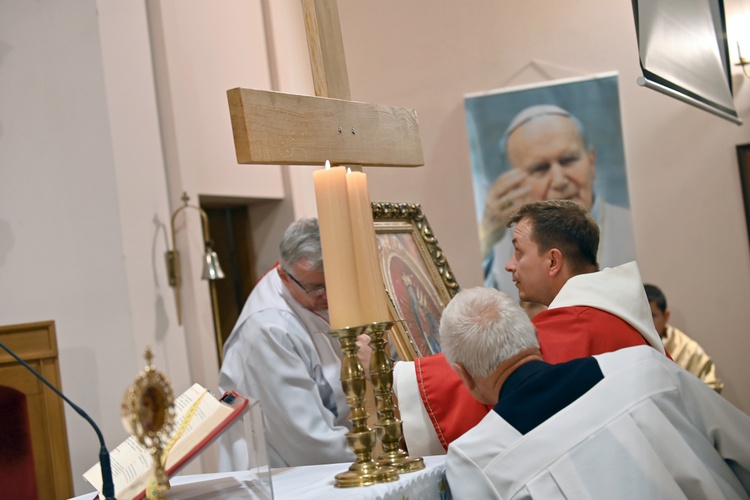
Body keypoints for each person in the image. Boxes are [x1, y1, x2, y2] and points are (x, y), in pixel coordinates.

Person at [394, 200, 665, 456]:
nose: (509, 265)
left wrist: (396, 377)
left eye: (519, 251)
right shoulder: (603, 311)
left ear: (553, 262)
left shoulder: (580, 324)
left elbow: (498, 368)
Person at [442, 287, 750, 499]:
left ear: (464, 374)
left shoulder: (476, 459)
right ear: (534, 337)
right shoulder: (644, 367)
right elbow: (742, 448)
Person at [217, 218, 369, 469]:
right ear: (283, 275)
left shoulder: (308, 295)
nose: (328, 296)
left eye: (332, 282)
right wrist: (372, 452)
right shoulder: (269, 329)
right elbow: (308, 440)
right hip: (279, 475)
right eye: (316, 287)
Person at [481, 104, 635, 301]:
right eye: (540, 168)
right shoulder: (498, 250)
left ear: (591, 161)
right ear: (515, 183)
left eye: (568, 160)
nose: (559, 180)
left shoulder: (629, 224)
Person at [645, 283, 724, 392]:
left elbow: (711, 389)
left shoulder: (688, 351)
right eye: (640, 315)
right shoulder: (625, 344)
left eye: (652, 315)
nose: (645, 321)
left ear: (666, 316)